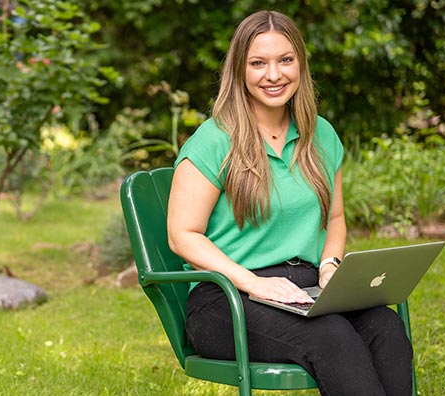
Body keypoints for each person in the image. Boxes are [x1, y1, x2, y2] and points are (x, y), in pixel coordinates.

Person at [166, 10, 413, 396]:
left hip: (305, 290)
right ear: (239, 71)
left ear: (300, 63)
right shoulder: (214, 141)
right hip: (226, 298)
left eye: (285, 60)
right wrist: (253, 283)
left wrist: (331, 265)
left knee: (386, 327)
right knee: (332, 337)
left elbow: (336, 217)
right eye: (258, 63)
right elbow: (183, 236)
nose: (274, 75)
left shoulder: (320, 135)